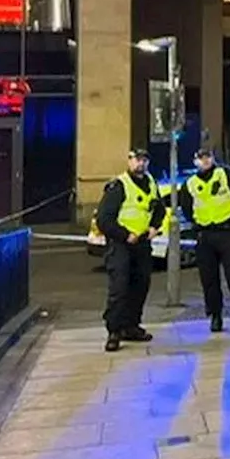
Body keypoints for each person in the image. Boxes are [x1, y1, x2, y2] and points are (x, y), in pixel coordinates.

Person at [178, 149, 230, 333]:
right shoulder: (190, 184)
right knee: (209, 280)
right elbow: (187, 209)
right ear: (195, 161)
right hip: (205, 236)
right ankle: (215, 316)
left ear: (212, 159)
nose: (205, 161)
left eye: (208, 157)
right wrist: (197, 223)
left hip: (227, 234)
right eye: (201, 158)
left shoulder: (226, 175)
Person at [95, 149, 166, 352]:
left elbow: (158, 208)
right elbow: (104, 219)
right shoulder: (119, 186)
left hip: (142, 244)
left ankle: (131, 326)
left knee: (140, 286)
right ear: (129, 161)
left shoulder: (151, 183)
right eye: (137, 160)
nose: (140, 164)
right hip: (121, 245)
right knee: (119, 289)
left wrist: (154, 226)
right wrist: (125, 234)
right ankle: (114, 332)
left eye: (144, 160)